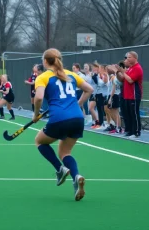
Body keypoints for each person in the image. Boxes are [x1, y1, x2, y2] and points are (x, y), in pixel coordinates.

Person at [33, 48, 93, 201]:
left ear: (46, 61)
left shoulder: (43, 77)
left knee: (39, 141)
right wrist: (77, 104)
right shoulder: (71, 74)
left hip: (59, 118)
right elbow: (89, 89)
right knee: (65, 153)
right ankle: (76, 175)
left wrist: (36, 115)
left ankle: (60, 169)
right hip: (77, 118)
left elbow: (39, 97)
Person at [115, 51, 143, 138]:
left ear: (135, 58)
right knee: (128, 114)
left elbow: (130, 80)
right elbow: (123, 79)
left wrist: (123, 72)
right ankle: (130, 131)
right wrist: (118, 72)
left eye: (129, 57)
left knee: (134, 114)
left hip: (134, 95)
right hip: (127, 95)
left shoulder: (137, 68)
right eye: (127, 57)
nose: (127, 59)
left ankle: (137, 132)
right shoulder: (130, 68)